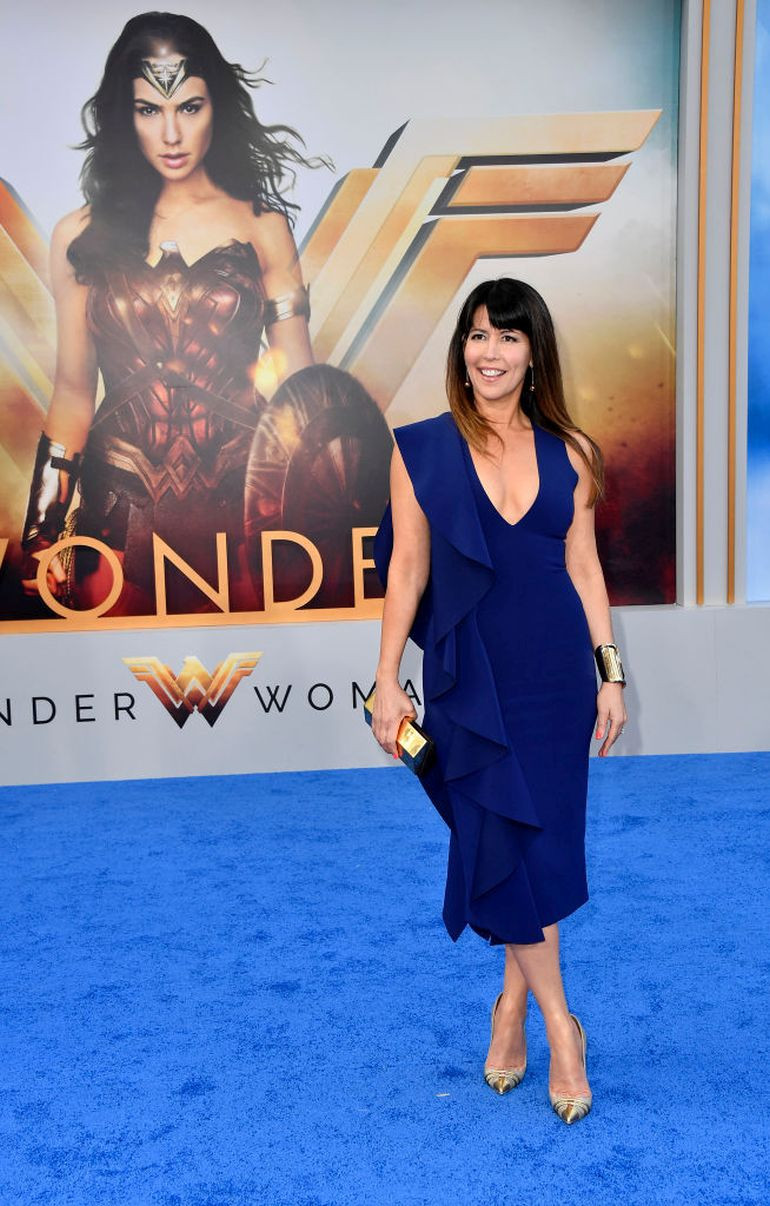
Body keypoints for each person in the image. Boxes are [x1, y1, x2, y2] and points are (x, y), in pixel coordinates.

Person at [371, 277, 628, 1125]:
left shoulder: (572, 451)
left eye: (508, 337)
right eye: (477, 334)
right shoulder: (421, 450)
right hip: (466, 681)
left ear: (532, 353)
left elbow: (584, 567)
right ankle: (562, 1025)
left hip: (555, 678)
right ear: (462, 349)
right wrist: (385, 679)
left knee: (539, 848)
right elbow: (407, 569)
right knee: (497, 840)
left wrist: (611, 673)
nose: (490, 351)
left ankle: (514, 1007)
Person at [19, 12, 321, 614]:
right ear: (124, 114)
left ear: (217, 108)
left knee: (258, 672)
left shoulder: (262, 226)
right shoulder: (80, 235)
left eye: (189, 107)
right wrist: (40, 535)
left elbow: (299, 390)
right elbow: (74, 394)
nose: (172, 134)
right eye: (149, 110)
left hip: (245, 518)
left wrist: (324, 513)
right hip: (117, 519)